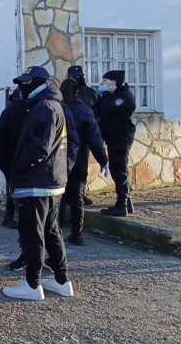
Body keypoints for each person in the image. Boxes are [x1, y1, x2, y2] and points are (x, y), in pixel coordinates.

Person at [2, 66, 73, 301]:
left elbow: (38, 148)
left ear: (40, 83)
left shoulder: (43, 108)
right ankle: (61, 280)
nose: (23, 87)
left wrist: (16, 170)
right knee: (52, 232)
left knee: (33, 233)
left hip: (37, 182)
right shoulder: (54, 105)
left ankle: (32, 284)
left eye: (27, 83)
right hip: (51, 181)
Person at [58, 79, 109, 245]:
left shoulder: (56, 108)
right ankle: (76, 233)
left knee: (59, 198)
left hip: (59, 160)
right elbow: (95, 138)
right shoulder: (84, 110)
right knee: (77, 198)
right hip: (79, 159)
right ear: (78, 92)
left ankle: (56, 230)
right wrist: (103, 160)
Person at [96, 70, 136, 216]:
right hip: (111, 137)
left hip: (121, 137)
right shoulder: (111, 96)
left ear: (113, 82)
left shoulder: (125, 97)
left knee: (119, 169)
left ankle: (122, 205)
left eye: (105, 81)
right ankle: (127, 203)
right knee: (116, 168)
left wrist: (105, 94)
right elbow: (99, 111)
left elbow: (109, 108)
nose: (102, 83)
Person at [0, 87, 26, 230]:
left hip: (9, 158)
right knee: (20, 190)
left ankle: (10, 216)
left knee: (13, 189)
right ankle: (18, 217)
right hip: (23, 158)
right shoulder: (29, 111)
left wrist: (2, 160)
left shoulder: (8, 112)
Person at [66, 65, 99, 205]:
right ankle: (67, 195)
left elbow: (98, 111)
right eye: (75, 77)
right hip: (67, 136)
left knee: (82, 167)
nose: (78, 79)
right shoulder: (65, 92)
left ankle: (80, 194)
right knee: (68, 167)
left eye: (80, 76)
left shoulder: (91, 93)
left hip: (84, 137)